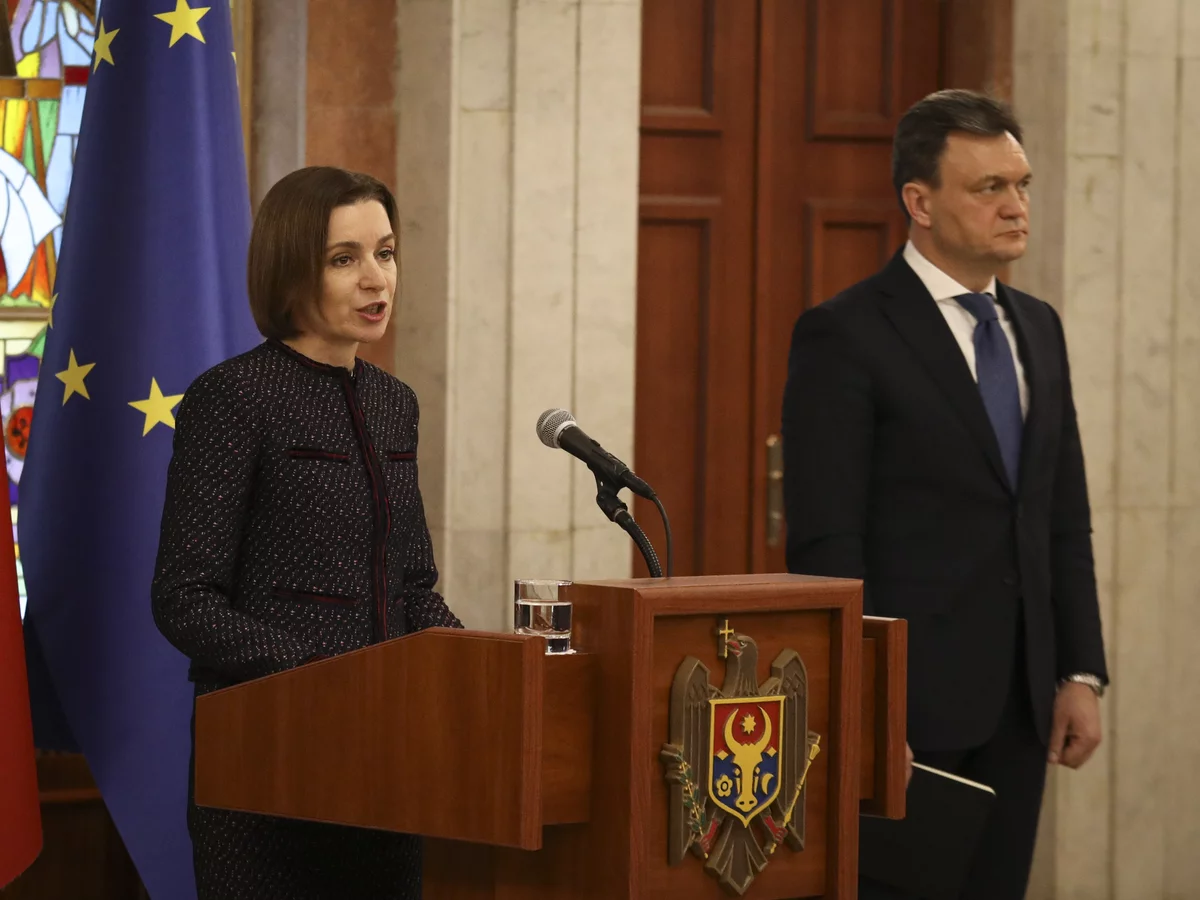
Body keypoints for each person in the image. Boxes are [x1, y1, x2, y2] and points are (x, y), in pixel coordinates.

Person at [781, 90, 1107, 900]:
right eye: (989, 187)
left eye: (1021, 184)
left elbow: (1062, 517)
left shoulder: (1039, 326)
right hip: (908, 710)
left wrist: (1080, 671)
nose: (1016, 206)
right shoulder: (846, 332)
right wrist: (862, 707)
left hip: (1022, 703)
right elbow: (827, 543)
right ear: (919, 203)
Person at [151, 166, 463, 900]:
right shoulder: (233, 396)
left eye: (385, 253)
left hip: (387, 763)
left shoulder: (394, 403)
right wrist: (321, 677)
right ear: (291, 271)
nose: (376, 279)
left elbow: (413, 586)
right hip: (268, 761)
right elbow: (184, 598)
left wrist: (476, 665)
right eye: (344, 259)